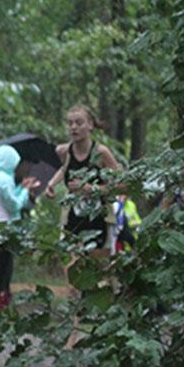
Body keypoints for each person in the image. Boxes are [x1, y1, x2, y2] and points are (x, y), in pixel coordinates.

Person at [45, 104, 121, 256]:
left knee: (97, 264)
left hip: (99, 214)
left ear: (90, 125)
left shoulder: (101, 152)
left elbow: (120, 183)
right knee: (71, 260)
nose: (73, 127)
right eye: (70, 123)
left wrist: (92, 189)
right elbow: (64, 168)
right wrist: (51, 184)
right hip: (73, 213)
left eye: (79, 123)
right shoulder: (64, 151)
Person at [0, 145, 38, 307]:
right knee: (3, 268)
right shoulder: (5, 179)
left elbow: (4, 199)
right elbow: (14, 205)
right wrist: (26, 191)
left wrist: (21, 187)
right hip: (4, 229)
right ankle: (0, 302)